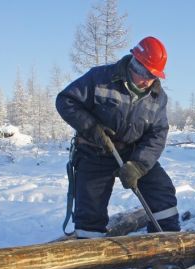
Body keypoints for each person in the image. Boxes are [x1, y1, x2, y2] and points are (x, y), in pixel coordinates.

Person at [56, 36, 180, 238]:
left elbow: (157, 134)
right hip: (95, 151)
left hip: (133, 152)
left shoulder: (158, 97)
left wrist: (139, 165)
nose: (146, 79)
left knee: (161, 192)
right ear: (134, 62)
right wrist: (92, 129)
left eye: (152, 75)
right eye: (143, 71)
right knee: (90, 209)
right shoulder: (100, 78)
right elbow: (66, 101)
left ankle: (166, 247)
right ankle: (92, 259)